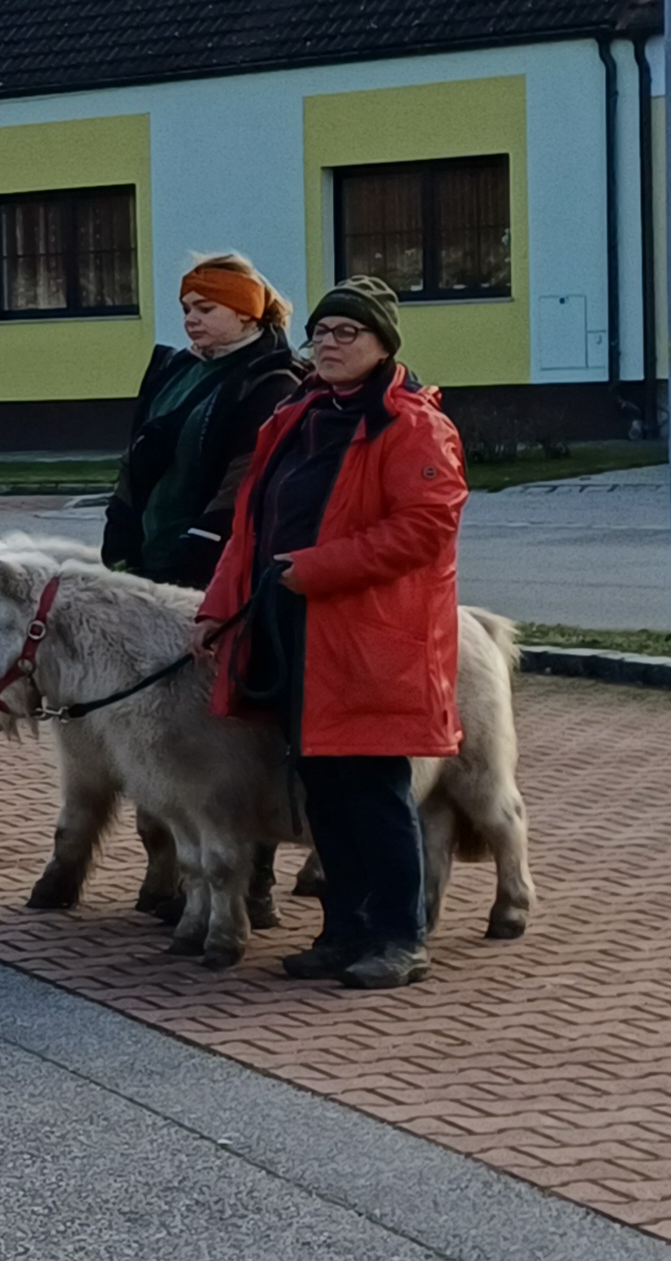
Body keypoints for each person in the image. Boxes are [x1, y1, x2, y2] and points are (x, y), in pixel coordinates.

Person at [197, 278, 466, 992]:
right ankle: (343, 930)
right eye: (321, 332)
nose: (330, 345)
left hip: (370, 642)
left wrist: (316, 568)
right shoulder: (297, 416)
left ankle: (399, 937)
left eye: (349, 333)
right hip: (294, 634)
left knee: (374, 789)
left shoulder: (412, 425)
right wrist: (217, 609)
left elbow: (425, 527)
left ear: (383, 344)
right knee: (323, 790)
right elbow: (249, 527)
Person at [104, 254, 305, 590]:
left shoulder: (272, 382)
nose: (190, 319)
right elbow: (135, 457)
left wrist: (197, 552)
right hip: (149, 559)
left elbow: (244, 480)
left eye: (206, 309)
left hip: (214, 573)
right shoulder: (175, 369)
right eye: (186, 309)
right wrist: (119, 530)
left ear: (245, 311)